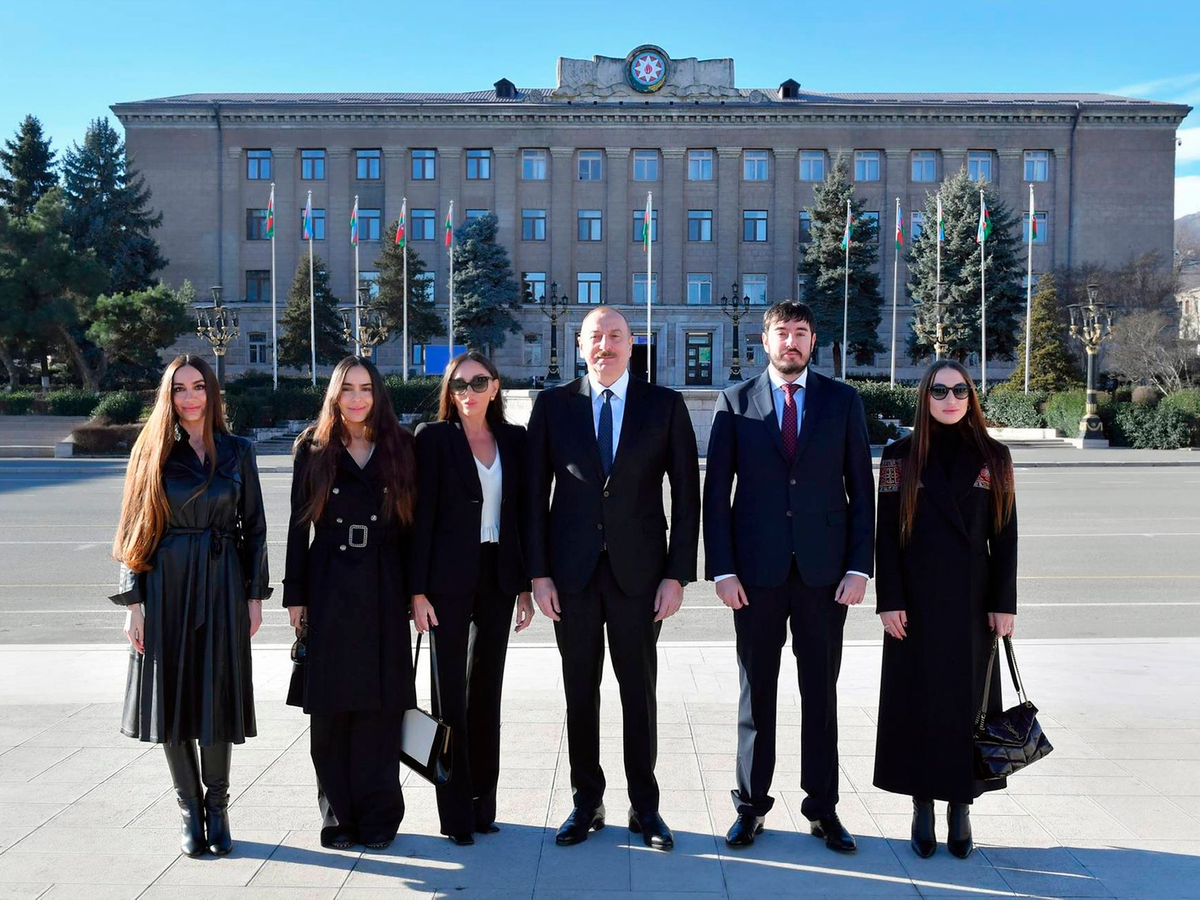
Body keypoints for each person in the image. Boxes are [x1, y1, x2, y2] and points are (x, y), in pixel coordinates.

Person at [525, 306, 700, 851]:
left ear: (631, 344)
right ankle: (586, 802)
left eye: (616, 336)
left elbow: (688, 496)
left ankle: (645, 807)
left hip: (641, 578)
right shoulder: (553, 406)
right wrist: (539, 575)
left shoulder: (664, 405)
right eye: (596, 337)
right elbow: (532, 497)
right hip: (570, 578)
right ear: (580, 346)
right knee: (580, 692)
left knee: (638, 693)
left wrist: (677, 575)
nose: (606, 345)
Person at [703, 300, 875, 853]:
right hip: (755, 576)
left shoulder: (842, 401)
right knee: (757, 693)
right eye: (783, 332)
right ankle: (750, 807)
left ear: (812, 341)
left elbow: (861, 490)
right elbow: (716, 495)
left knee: (820, 693)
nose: (792, 342)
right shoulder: (735, 402)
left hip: (826, 576)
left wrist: (859, 567)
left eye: (801, 333)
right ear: (765, 340)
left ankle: (823, 809)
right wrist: (722, 570)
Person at [111, 355, 269, 858]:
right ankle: (188, 809)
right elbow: (134, 528)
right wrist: (133, 603)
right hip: (167, 584)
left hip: (222, 582)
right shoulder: (152, 450)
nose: (190, 397)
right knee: (172, 697)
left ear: (212, 392)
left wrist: (254, 596)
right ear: (169, 396)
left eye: (198, 386)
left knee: (217, 693)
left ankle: (218, 808)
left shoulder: (238, 451)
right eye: (179, 388)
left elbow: (255, 529)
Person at [873, 360, 1018, 860]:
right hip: (913, 605)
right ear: (925, 397)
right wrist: (889, 600)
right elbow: (886, 535)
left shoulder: (995, 456)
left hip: (973, 605)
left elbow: (1006, 535)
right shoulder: (899, 456)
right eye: (939, 391)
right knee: (917, 702)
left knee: (966, 706)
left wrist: (1003, 604)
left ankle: (961, 806)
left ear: (971, 397)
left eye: (959, 390)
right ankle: (922, 805)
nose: (950, 399)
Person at [283, 355, 418, 850]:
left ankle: (380, 817)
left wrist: (416, 591)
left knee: (382, 706)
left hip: (385, 581)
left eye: (365, 388)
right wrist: (295, 596)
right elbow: (298, 525)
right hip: (329, 582)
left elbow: (413, 527)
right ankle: (338, 818)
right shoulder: (313, 447)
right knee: (331, 708)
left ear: (378, 394)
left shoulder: (400, 444)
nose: (357, 398)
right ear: (334, 395)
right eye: (347, 389)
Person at [409, 351, 536, 845]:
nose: (468, 392)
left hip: (497, 576)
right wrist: (417, 590)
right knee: (450, 697)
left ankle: (484, 805)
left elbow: (522, 515)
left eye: (478, 382)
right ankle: (456, 814)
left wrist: (524, 585)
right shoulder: (433, 438)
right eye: (459, 384)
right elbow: (419, 517)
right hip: (445, 580)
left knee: (486, 692)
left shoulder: (514, 439)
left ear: (495, 387)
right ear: (449, 391)